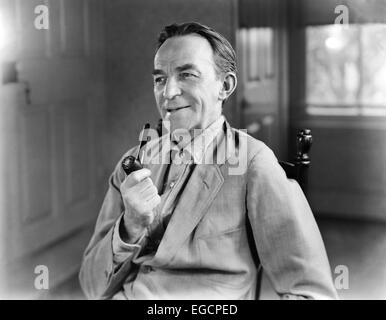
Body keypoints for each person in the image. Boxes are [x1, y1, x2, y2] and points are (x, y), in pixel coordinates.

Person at [79, 22, 338, 300]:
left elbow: (311, 292)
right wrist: (129, 225)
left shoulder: (253, 163)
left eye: (187, 75)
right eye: (159, 79)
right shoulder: (133, 163)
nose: (167, 93)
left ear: (224, 86)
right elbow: (91, 286)